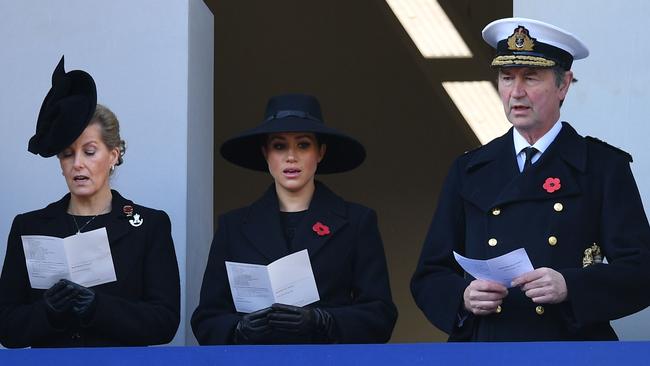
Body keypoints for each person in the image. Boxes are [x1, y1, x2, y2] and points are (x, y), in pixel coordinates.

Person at [411, 18, 650, 341]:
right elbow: (429, 274)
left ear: (563, 84)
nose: (516, 92)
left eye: (531, 78)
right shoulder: (469, 169)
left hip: (569, 345)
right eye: (507, 78)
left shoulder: (602, 167)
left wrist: (571, 286)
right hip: (488, 344)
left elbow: (641, 270)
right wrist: (463, 296)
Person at [0, 57, 180, 347]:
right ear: (60, 162)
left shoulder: (149, 225)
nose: (78, 164)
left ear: (114, 155)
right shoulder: (28, 226)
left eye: (90, 151)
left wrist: (98, 308)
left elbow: (165, 321)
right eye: (68, 154)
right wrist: (47, 311)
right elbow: (6, 327)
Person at [191, 93, 397, 344]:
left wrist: (323, 320)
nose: (291, 157)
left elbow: (380, 315)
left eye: (303, 145)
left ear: (320, 152)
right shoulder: (233, 226)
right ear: (266, 153)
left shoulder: (357, 222)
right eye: (279, 146)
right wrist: (240, 328)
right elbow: (206, 319)